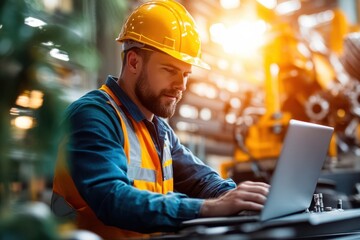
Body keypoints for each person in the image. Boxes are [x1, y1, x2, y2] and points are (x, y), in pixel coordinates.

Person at [51, 0, 270, 239]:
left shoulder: (160, 131)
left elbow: (202, 181)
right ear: (134, 62)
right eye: (169, 70)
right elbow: (112, 198)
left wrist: (245, 198)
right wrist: (207, 208)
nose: (181, 86)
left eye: (186, 74)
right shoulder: (94, 116)